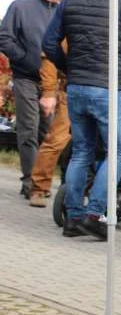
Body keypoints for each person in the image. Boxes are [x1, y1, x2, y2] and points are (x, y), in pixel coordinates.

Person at [42, 0, 121, 240]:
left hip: (76, 88)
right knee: (119, 151)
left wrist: (69, 69)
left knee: (82, 151)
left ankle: (73, 217)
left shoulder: (69, 1)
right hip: (108, 88)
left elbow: (49, 42)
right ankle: (95, 212)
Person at [0, 0, 74, 198]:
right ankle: (30, 181)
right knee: (28, 130)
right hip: (26, 79)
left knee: (49, 132)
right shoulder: (20, 7)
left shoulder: (63, 11)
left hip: (53, 82)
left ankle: (43, 179)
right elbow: (4, 37)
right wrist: (22, 58)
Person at [26, 41, 71, 208]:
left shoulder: (116, 21)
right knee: (56, 141)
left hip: (104, 92)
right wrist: (49, 91)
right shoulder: (71, 18)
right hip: (71, 91)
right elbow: (50, 55)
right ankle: (39, 188)